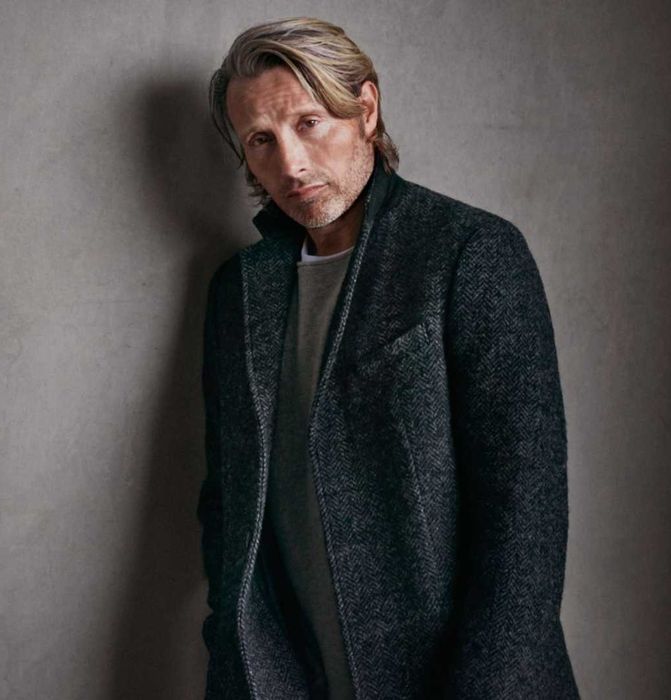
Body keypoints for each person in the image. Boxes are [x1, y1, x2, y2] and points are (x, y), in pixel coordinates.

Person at [196, 16, 580, 700]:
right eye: (261, 140)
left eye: (308, 123)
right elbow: (226, 496)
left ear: (365, 110)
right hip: (290, 676)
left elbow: (525, 517)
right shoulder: (239, 290)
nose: (290, 163)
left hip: (454, 677)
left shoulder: (468, 253)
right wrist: (231, 636)